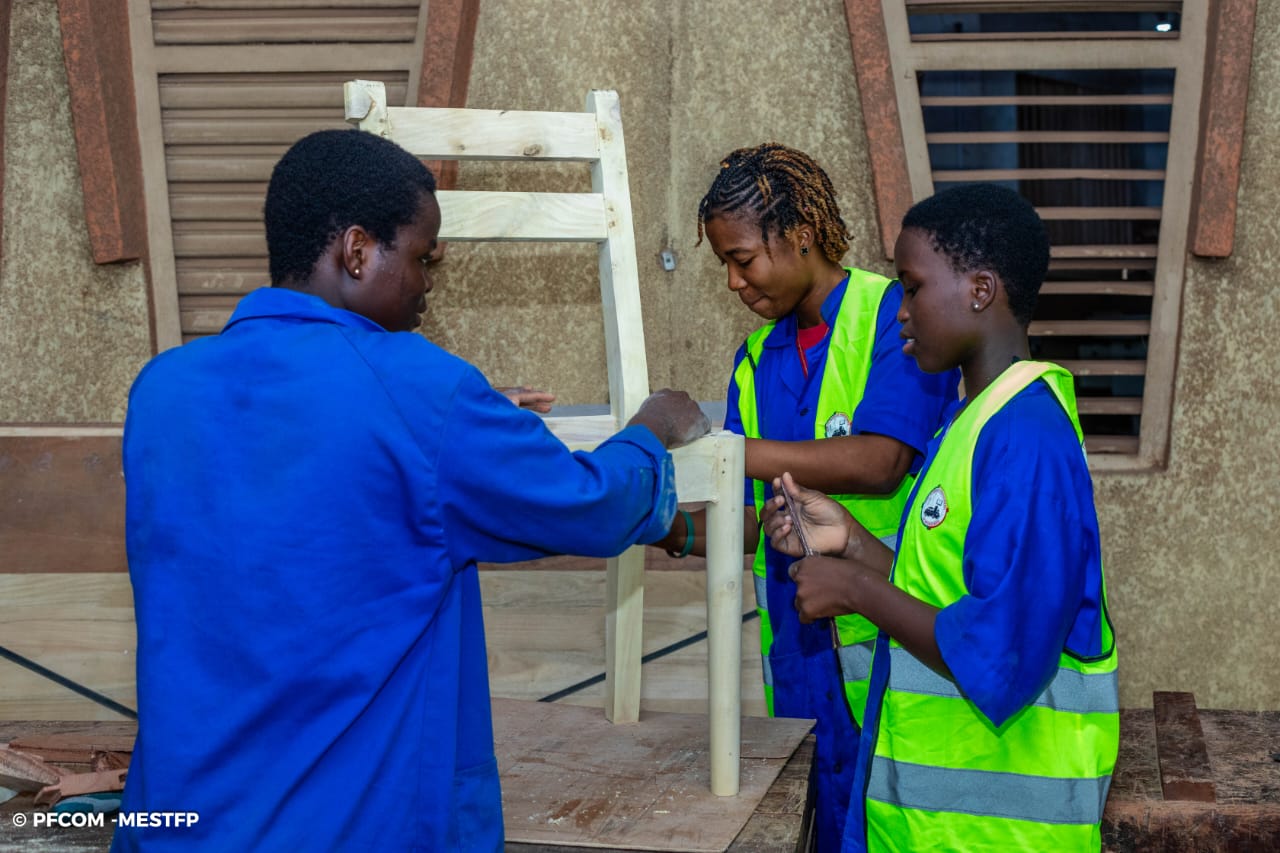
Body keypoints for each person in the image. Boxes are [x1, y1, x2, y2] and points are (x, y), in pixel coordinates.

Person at [113, 128, 709, 852]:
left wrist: (465, 424)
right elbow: (594, 504)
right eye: (424, 258)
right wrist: (651, 427)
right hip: (349, 829)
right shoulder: (421, 392)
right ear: (357, 251)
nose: (428, 284)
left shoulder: (162, 391)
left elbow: (306, 475)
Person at [763, 183, 1118, 852]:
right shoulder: (969, 423)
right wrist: (853, 544)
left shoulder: (1026, 437)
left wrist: (855, 591)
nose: (900, 312)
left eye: (912, 287)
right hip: (927, 828)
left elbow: (999, 651)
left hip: (997, 835)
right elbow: (951, 596)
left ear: (980, 290)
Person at [652, 143, 958, 852]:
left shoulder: (897, 315)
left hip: (891, 639)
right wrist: (671, 527)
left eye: (743, 259)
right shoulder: (754, 362)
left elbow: (880, 461)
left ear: (800, 235)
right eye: (724, 265)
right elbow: (757, 518)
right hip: (798, 655)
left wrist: (715, 450)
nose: (734, 282)